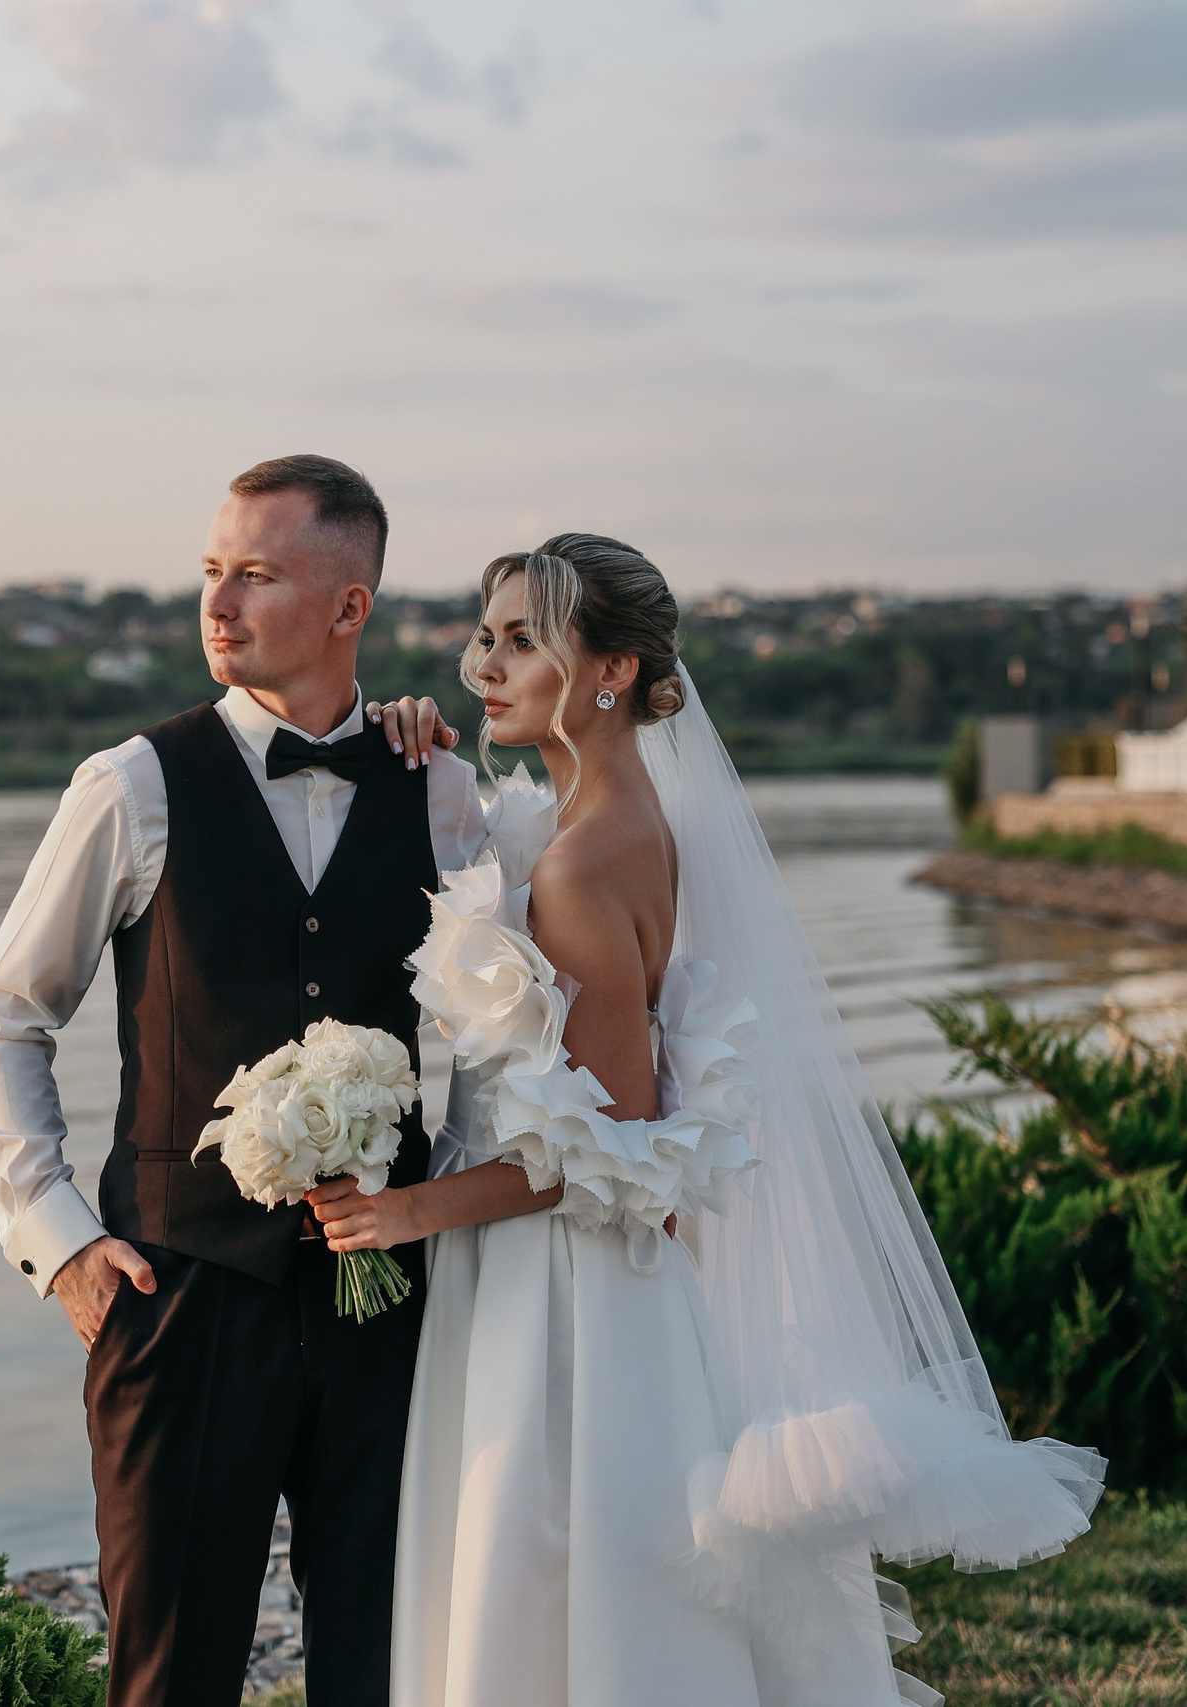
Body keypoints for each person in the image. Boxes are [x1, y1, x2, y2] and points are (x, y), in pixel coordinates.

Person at [309, 537, 1106, 1707]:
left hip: (561, 1298)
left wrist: (409, 1211)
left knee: (554, 1587)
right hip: (570, 1279)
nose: (486, 666)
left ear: (611, 672)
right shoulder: (592, 821)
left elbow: (610, 1148)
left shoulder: (584, 865)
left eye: (523, 641)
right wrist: (412, 747)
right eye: (484, 637)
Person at [0, 454, 478, 1707]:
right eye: (210, 570)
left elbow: (490, 1044)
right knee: (168, 1678)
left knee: (386, 1666)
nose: (218, 602)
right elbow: (4, 1018)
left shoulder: (443, 789)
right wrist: (61, 1243)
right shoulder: (130, 786)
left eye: (256, 574)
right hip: (178, 1297)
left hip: (385, 1310)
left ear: (348, 608)